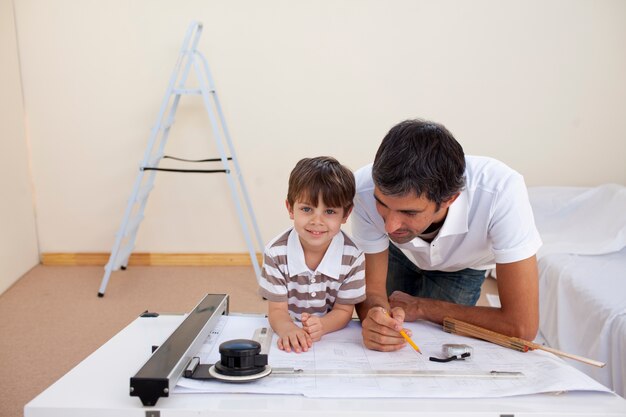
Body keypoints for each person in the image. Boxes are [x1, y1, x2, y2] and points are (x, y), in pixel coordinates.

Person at [352, 119, 542, 352]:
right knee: (392, 337)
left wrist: (422, 307)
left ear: (449, 199)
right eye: (382, 204)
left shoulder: (501, 191)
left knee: (439, 346)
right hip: (397, 253)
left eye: (409, 212)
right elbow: (372, 292)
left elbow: (521, 326)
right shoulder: (362, 188)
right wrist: (374, 317)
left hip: (465, 266)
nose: (390, 227)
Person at [259, 156, 366, 353]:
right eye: (307, 209)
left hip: (329, 337)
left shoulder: (353, 256)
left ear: (346, 214)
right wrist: (288, 328)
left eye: (330, 211)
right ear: (291, 208)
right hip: (289, 324)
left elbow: (343, 311)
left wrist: (323, 325)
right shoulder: (276, 253)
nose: (317, 221)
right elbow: (277, 311)